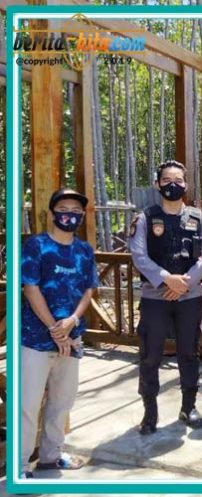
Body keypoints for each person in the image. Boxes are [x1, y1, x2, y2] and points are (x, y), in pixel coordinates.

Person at [129, 160, 202, 435]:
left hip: (189, 297)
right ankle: (150, 412)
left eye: (178, 180)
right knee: (150, 354)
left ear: (186, 185)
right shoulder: (144, 218)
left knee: (189, 352)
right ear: (157, 184)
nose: (173, 185)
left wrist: (183, 283)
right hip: (155, 297)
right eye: (167, 180)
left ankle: (189, 407)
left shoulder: (199, 218)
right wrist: (167, 279)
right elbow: (139, 255)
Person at [20, 188, 97, 478]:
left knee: (62, 402)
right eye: (64, 209)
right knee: (27, 405)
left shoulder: (84, 250)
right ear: (52, 213)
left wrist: (72, 321)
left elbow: (88, 290)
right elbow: (30, 288)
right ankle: (19, 466)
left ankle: (51, 456)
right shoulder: (36, 246)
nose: (70, 215)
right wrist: (56, 328)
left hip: (71, 338)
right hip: (35, 340)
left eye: (76, 211)